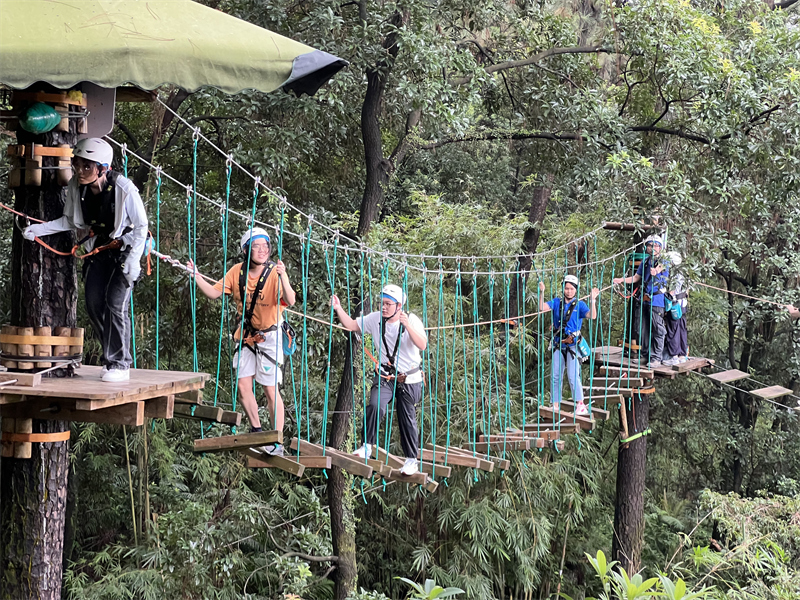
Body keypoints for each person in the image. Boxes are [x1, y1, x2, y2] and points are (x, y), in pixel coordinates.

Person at [23, 138, 148, 383]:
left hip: (126, 247)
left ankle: (120, 363)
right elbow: (70, 221)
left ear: (103, 167)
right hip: (99, 247)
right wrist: (40, 230)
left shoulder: (124, 188)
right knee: (93, 304)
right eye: (77, 165)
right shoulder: (76, 187)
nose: (80, 171)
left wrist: (134, 260)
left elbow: (141, 226)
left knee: (115, 304)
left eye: (87, 166)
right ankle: (111, 358)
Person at [188, 227, 296, 455]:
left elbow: (291, 300)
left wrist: (284, 275)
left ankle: (277, 441)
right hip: (246, 335)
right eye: (256, 246)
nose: (262, 250)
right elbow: (214, 292)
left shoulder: (274, 274)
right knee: (243, 384)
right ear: (246, 250)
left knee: (270, 389)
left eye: (265, 246)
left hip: (270, 336)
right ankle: (257, 432)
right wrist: (196, 276)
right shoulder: (236, 273)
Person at [330, 284, 427, 476]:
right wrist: (338, 309)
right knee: (375, 404)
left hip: (409, 377)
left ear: (399, 306)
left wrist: (407, 325)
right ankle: (367, 445)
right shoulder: (375, 319)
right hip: (386, 375)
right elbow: (351, 325)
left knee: (406, 416)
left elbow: (422, 345)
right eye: (381, 303)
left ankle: (411, 459)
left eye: (388, 304)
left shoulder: (411, 320)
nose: (383, 307)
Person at [538, 275, 600, 416]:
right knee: (555, 375)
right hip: (559, 344)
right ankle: (555, 404)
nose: (569, 291)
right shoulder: (556, 302)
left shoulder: (580, 305)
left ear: (576, 290)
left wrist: (593, 300)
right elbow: (541, 308)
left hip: (572, 345)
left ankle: (580, 404)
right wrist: (542, 292)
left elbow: (592, 316)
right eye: (566, 288)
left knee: (573, 376)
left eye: (571, 289)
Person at [613, 234, 670, 368]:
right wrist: (621, 280)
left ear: (660, 248)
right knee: (643, 329)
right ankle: (645, 355)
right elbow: (636, 277)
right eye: (650, 245)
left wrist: (656, 270)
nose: (653, 248)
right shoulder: (645, 261)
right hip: (644, 298)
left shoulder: (663, 260)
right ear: (647, 247)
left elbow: (661, 267)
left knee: (657, 329)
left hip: (656, 300)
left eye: (656, 245)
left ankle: (656, 357)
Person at [662, 251, 689, 366]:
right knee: (682, 329)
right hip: (683, 304)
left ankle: (674, 356)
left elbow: (671, 291)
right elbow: (687, 290)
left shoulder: (673, 274)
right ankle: (682, 354)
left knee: (673, 330)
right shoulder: (685, 272)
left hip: (674, 304)